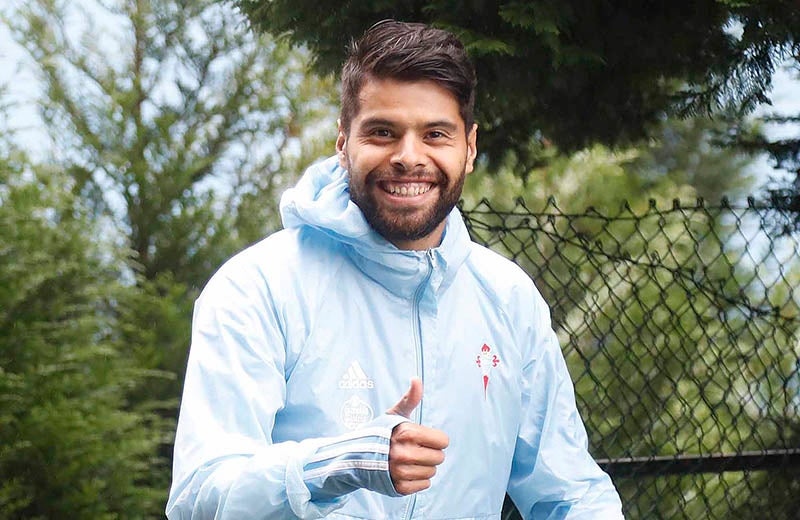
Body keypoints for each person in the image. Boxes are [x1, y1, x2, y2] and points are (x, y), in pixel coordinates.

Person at [167, 20, 624, 520]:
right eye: (383, 132)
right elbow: (198, 498)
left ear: (469, 148)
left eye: (435, 134)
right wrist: (331, 465)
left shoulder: (509, 299)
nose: (409, 158)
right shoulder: (256, 288)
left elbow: (570, 493)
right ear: (343, 143)